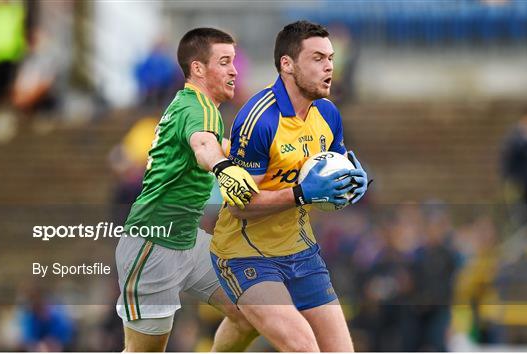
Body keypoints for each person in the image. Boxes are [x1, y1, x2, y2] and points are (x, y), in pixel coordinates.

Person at [210, 21, 369, 352]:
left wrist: (353, 183)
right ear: (287, 64)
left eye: (331, 57)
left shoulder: (327, 113)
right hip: (245, 254)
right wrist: (301, 194)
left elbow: (331, 176)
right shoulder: (259, 120)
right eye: (317, 58)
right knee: (303, 347)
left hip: (302, 253)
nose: (329, 66)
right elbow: (241, 206)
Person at [115, 27, 259, 352]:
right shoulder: (200, 110)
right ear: (198, 68)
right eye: (224, 62)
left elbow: (215, 141)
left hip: (185, 240)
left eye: (234, 61)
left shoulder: (190, 104)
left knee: (252, 311)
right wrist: (222, 167)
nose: (234, 70)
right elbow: (204, 145)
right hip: (153, 246)